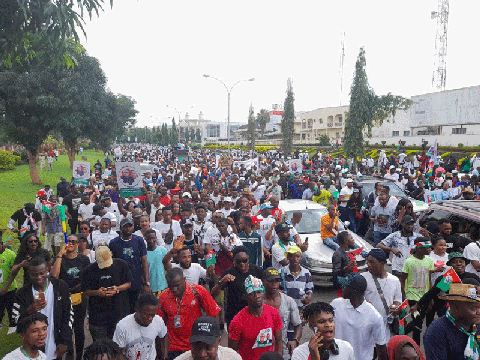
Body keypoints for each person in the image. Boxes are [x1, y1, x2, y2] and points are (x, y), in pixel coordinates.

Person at [12, 256, 73, 360]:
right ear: (29, 274)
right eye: (34, 274)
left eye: (42, 273)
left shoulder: (60, 287)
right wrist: (30, 311)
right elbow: (15, 322)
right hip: (34, 348)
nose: (39, 277)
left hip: (56, 345)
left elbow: (68, 314)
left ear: (47, 270)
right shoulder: (22, 294)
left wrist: (64, 341)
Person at [157, 267, 221, 360]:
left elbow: (214, 313)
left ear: (184, 280)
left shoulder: (198, 291)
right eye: (171, 286)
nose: (174, 289)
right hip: (173, 348)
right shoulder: (163, 298)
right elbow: (160, 326)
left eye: (177, 285)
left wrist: (214, 340)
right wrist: (163, 353)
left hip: (196, 346)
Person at [330, 273, 387, 360]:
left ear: (354, 292)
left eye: (345, 286)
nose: (342, 288)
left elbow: (381, 348)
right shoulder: (335, 304)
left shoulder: (374, 317)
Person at [82, 246, 132, 341]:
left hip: (119, 312)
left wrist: (117, 289)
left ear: (111, 254)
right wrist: (97, 292)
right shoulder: (89, 270)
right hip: (98, 315)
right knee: (100, 346)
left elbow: (128, 283)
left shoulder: (121, 264)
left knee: (118, 344)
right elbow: (85, 291)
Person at [228, 275, 283, 360]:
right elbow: (232, 352)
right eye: (251, 293)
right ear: (245, 296)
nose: (256, 296)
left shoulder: (274, 313)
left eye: (259, 292)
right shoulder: (237, 321)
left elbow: (279, 341)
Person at [423, 283, 480, 360]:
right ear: (456, 307)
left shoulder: (476, 326)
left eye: (478, 307)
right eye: (473, 308)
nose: (478, 312)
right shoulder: (436, 332)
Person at [211, 246, 263, 328]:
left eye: (244, 260)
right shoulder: (229, 272)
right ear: (234, 262)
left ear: (248, 259)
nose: (242, 264)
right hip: (234, 315)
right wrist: (221, 282)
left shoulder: (257, 271)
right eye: (238, 261)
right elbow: (213, 294)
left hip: (254, 313)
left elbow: (266, 289)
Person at [109, 217, 150, 313]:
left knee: (136, 308)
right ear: (120, 228)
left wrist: (147, 282)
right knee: (122, 309)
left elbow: (144, 261)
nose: (128, 229)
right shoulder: (114, 243)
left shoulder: (139, 241)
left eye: (130, 226)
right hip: (121, 282)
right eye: (125, 227)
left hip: (136, 280)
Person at [113, 293, 169, 360]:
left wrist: (165, 356)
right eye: (147, 315)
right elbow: (118, 353)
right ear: (137, 309)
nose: (150, 319)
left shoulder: (158, 320)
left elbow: (164, 336)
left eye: (153, 315)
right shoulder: (123, 326)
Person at [363, 249, 402, 343]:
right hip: (366, 329)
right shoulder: (362, 278)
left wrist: (396, 308)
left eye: (372, 262)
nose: (368, 264)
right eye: (367, 261)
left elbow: (397, 301)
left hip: (386, 329)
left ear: (382, 263)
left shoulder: (394, 280)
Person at [263, 267, 302, 360]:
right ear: (263, 282)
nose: (274, 284)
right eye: (271, 281)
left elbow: (298, 324)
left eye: (277, 281)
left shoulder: (288, 301)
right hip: (263, 351)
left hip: (284, 352)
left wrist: (295, 341)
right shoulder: (258, 302)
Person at [400, 239, 434, 346]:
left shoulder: (429, 260)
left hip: (424, 296)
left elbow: (429, 279)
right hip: (412, 296)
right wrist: (403, 296)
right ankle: (416, 347)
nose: (430, 250)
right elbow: (403, 280)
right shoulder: (408, 261)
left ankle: (400, 333)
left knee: (418, 321)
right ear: (419, 248)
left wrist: (430, 297)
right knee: (418, 322)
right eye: (427, 248)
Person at [173, 316, 242, 360]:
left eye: (208, 348)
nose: (202, 354)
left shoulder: (232, 357)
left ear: (218, 341)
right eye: (197, 348)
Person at [0, 237, 25, 334]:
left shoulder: (10, 254)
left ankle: (13, 325)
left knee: (11, 308)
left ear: (2, 244)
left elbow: (14, 272)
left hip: (9, 289)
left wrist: (6, 286)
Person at [145, 229, 168, 295]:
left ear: (156, 238)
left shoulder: (162, 250)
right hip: (150, 289)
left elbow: (168, 267)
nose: (151, 241)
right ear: (145, 239)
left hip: (163, 287)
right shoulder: (143, 254)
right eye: (149, 239)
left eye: (153, 238)